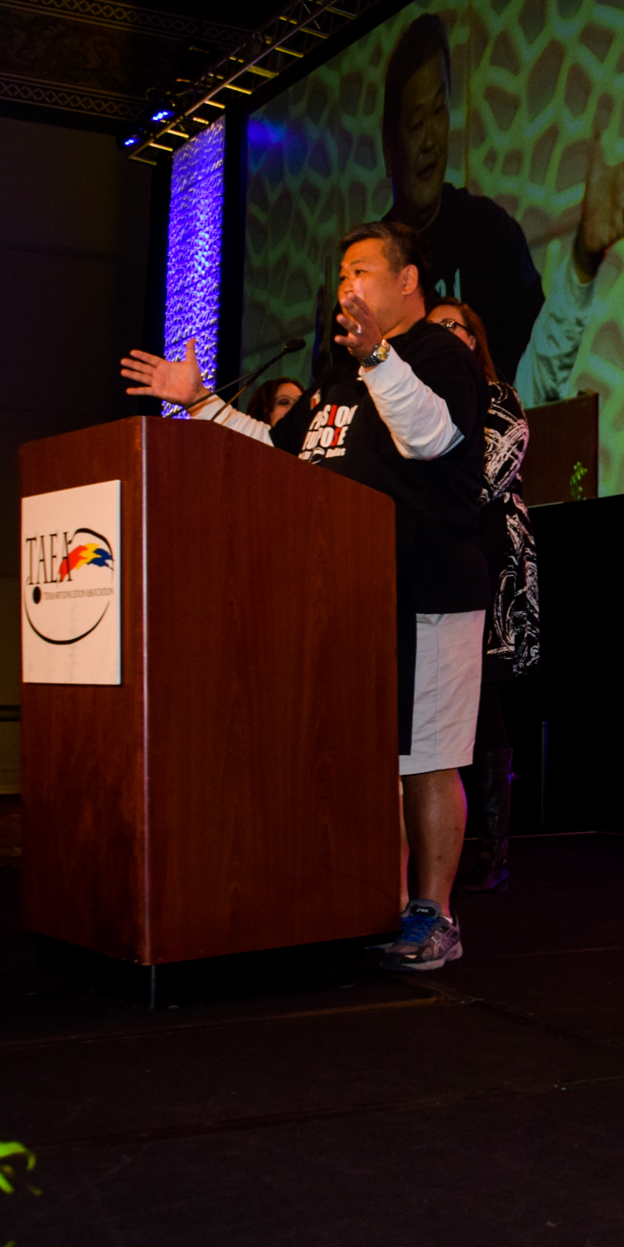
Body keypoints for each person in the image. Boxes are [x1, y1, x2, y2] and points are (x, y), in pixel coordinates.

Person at [120, 221, 489, 972]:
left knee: (425, 757)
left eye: (362, 271)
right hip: (347, 595)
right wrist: (201, 403)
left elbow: (429, 440)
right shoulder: (340, 372)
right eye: (342, 274)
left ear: (408, 281)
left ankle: (434, 914)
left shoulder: (439, 355)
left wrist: (378, 357)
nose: (346, 286)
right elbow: (282, 456)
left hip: (427, 591)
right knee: (362, 760)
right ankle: (374, 904)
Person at [376, 11, 624, 406]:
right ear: (389, 146)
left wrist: (584, 259)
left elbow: (535, 375)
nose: (431, 140)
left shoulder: (489, 231)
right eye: (417, 123)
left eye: (439, 113)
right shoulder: (372, 262)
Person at [427, 296, 539, 892]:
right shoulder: (419, 403)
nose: (446, 333)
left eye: (456, 326)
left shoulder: (498, 398)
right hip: (439, 554)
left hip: (490, 553)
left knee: (484, 695)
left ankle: (493, 852)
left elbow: (488, 476)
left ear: (475, 340)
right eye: (435, 327)